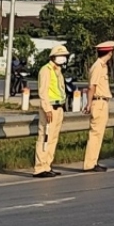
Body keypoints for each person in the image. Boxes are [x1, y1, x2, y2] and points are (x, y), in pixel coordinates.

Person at [35, 44, 71, 178]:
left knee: (53, 138)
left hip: (59, 108)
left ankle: (47, 165)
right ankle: (40, 167)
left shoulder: (58, 71)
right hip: (49, 108)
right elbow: (43, 91)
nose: (62, 58)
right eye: (60, 56)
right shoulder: (46, 70)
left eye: (64, 56)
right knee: (44, 137)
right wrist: (47, 108)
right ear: (53, 57)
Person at [82, 41, 114, 173]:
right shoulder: (98, 67)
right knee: (95, 134)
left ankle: (93, 161)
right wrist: (89, 103)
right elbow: (92, 86)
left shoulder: (102, 66)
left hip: (102, 101)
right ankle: (90, 163)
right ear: (109, 52)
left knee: (98, 134)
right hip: (98, 102)